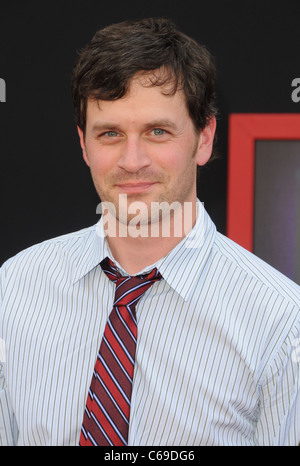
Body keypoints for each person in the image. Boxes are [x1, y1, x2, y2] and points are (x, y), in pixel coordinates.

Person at [0, 17, 299, 447]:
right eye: (111, 134)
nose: (132, 160)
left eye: (158, 132)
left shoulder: (281, 322)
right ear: (84, 144)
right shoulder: (15, 286)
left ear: (205, 138)